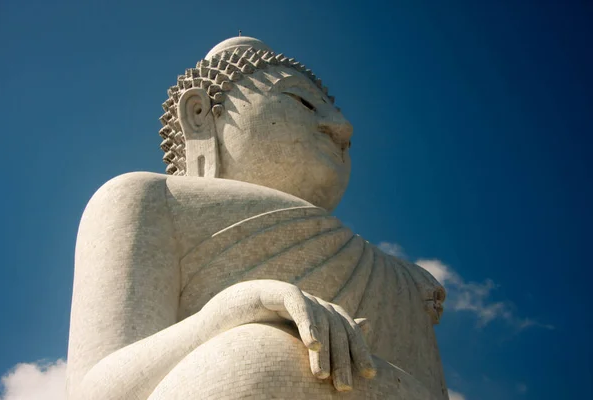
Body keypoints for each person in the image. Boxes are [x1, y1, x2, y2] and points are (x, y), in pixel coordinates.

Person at [66, 37, 448, 399]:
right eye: (303, 102)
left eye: (337, 114)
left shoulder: (401, 278)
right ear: (199, 115)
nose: (342, 129)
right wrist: (229, 312)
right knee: (255, 356)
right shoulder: (150, 198)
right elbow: (98, 391)